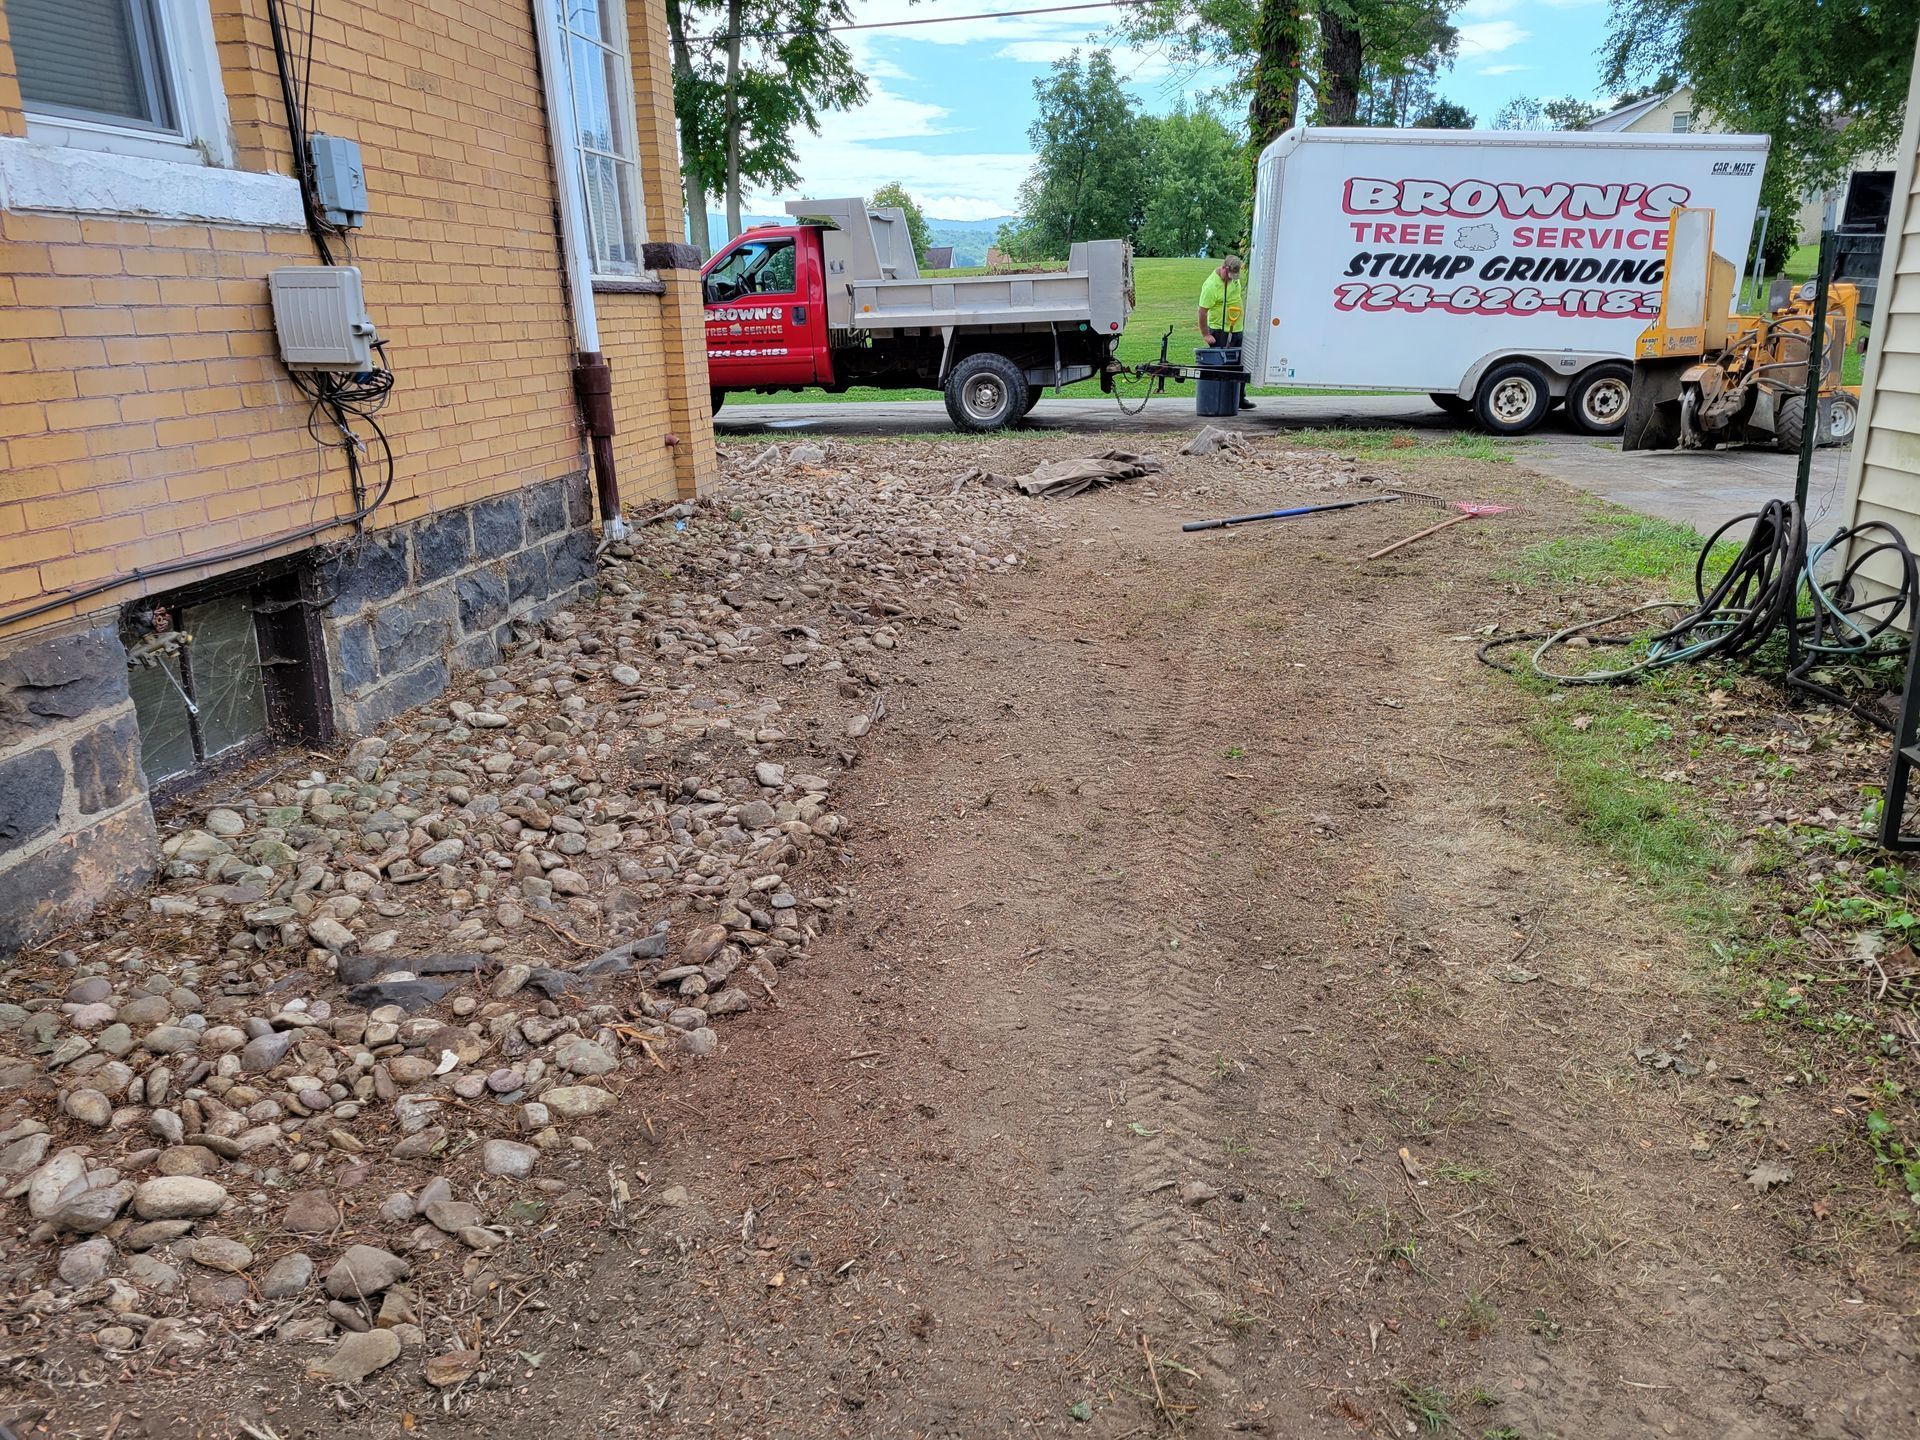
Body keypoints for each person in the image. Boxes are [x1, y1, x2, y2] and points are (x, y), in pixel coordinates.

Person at [1196, 254, 1253, 410]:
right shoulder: (1211, 286)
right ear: (1224, 268)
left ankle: (1239, 399)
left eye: (1234, 277)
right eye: (1229, 276)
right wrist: (1206, 335)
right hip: (1219, 332)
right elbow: (1202, 312)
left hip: (1237, 329)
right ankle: (1219, 401)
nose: (1232, 279)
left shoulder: (1234, 279)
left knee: (1239, 366)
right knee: (1221, 368)